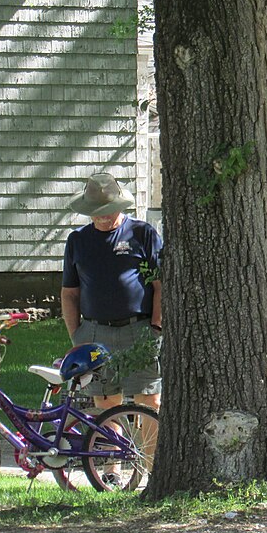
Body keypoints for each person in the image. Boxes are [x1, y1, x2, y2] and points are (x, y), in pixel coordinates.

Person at [61, 172, 163, 412]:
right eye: (97, 210)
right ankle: (114, 451)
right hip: (95, 332)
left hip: (139, 330)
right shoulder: (78, 241)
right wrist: (77, 334)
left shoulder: (142, 234)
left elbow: (161, 285)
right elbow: (69, 293)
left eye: (108, 208)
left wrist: (156, 325)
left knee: (149, 401)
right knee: (106, 405)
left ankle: (148, 452)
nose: (103, 215)